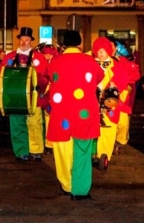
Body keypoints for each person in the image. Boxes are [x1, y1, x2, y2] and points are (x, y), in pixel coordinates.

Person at [46, 30, 104, 200]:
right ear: (80, 44)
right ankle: (79, 190)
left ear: (64, 45)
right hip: (83, 112)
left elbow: (48, 77)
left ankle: (67, 184)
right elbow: (98, 78)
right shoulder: (90, 61)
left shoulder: (55, 62)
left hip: (61, 113)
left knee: (62, 150)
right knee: (82, 150)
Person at [0, 27, 48, 161]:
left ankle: (36, 149)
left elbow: (45, 75)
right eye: (22, 40)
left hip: (33, 97)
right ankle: (21, 151)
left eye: (26, 40)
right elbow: (2, 75)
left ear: (31, 42)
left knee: (35, 123)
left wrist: (39, 85)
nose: (24, 42)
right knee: (17, 124)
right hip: (14, 97)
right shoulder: (10, 57)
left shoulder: (39, 57)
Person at [92, 37, 129, 162]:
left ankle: (103, 155)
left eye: (103, 51)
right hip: (92, 99)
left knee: (108, 127)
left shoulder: (117, 64)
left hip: (109, 99)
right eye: (98, 51)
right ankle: (93, 151)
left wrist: (115, 85)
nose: (101, 54)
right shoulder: (90, 63)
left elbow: (124, 79)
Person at [40, 44, 59, 155]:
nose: (47, 56)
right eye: (45, 54)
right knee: (44, 120)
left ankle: (51, 143)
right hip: (43, 93)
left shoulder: (57, 63)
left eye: (49, 54)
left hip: (53, 94)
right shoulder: (41, 64)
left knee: (51, 119)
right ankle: (47, 143)